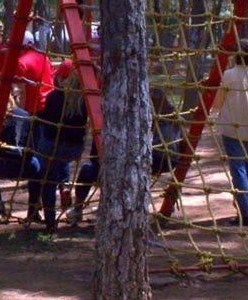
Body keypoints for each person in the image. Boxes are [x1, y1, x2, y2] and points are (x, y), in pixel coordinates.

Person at [65, 88, 182, 226]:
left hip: (152, 160)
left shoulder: (149, 122)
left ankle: (82, 210)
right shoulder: (173, 118)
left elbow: (96, 158)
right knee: (116, 168)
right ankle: (113, 206)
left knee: (94, 170)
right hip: (169, 161)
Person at [212, 38, 248, 227]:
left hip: (232, 128)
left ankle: (247, 214)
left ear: (235, 56)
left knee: (239, 169)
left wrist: (214, 111)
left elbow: (218, 101)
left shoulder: (228, 75)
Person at [33, 71, 88, 231]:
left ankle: (50, 221)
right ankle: (64, 186)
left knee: (47, 178)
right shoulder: (83, 99)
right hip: (74, 149)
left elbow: (47, 120)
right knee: (61, 161)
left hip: (53, 146)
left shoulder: (54, 97)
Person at [0, 87, 42, 224]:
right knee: (38, 167)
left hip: (1, 166)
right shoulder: (26, 115)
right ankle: (33, 207)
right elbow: (32, 145)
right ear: (16, 98)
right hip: (24, 165)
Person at [15, 31, 53, 115]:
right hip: (50, 103)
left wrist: (21, 116)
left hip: (34, 109)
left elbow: (22, 93)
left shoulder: (21, 62)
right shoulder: (44, 57)